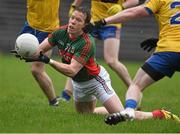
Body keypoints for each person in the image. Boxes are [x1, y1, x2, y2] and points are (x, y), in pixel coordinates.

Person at [20, 7, 179, 123]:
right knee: (86, 116)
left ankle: (159, 114)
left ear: (84, 25)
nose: (73, 22)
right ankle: (115, 108)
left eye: (78, 20)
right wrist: (26, 52)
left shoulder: (86, 43)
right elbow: (40, 49)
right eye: (72, 18)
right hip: (79, 84)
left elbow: (71, 71)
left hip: (96, 81)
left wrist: (47, 60)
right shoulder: (59, 33)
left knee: (124, 117)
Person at [92, 0, 180, 124]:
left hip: (168, 50)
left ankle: (128, 110)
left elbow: (134, 12)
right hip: (168, 45)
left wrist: (104, 21)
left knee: (136, 85)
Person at [60, 0, 140, 102]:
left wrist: (122, 6)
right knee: (78, 56)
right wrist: (74, 5)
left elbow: (135, 1)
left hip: (112, 24)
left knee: (112, 61)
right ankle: (66, 95)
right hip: (93, 24)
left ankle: (134, 91)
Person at [13, 0, 60, 106]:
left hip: (48, 29)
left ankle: (54, 102)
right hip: (30, 25)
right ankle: (54, 102)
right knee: (36, 70)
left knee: (36, 70)